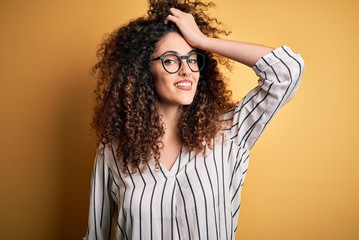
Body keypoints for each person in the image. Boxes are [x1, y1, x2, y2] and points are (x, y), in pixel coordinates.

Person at [84, 0, 304, 239]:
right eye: (170, 60)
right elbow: (95, 235)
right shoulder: (113, 152)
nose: (186, 70)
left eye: (192, 59)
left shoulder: (227, 135)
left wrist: (203, 41)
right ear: (143, 71)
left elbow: (287, 71)